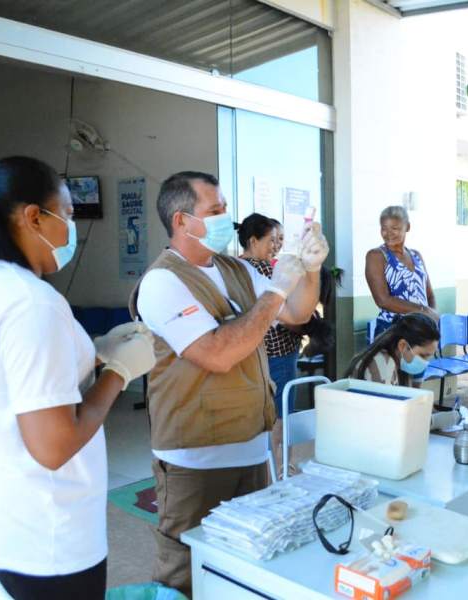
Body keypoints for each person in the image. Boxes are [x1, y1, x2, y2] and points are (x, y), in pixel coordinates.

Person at [0, 157, 156, 599]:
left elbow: (23, 377)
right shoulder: (31, 304)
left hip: (8, 514)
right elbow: (54, 446)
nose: (71, 228)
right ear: (33, 217)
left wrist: (94, 353)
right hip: (47, 534)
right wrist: (118, 373)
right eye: (67, 214)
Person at [130, 171, 327, 597]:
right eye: (215, 210)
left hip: (251, 448)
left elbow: (295, 312)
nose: (226, 217)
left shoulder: (234, 268)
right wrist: (276, 290)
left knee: (244, 569)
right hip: (194, 460)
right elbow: (217, 353)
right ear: (182, 221)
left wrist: (311, 269)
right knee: (185, 573)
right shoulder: (162, 282)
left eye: (224, 207)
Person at [237, 213, 303, 416]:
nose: (275, 246)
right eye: (271, 241)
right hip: (279, 351)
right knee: (280, 414)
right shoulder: (265, 268)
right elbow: (290, 314)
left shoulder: (233, 267)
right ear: (253, 241)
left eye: (278, 240)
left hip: (251, 352)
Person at [365, 205, 438, 338]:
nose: (388, 233)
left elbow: (429, 295)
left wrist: (431, 318)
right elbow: (382, 300)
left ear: (407, 227)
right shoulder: (376, 256)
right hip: (393, 331)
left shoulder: (416, 255)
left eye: (395, 228)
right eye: (384, 228)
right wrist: (424, 311)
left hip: (420, 330)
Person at [345, 313, 440, 386]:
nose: (425, 362)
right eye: (422, 355)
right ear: (402, 345)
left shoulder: (400, 363)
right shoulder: (383, 365)